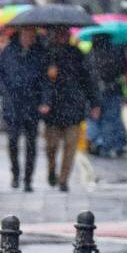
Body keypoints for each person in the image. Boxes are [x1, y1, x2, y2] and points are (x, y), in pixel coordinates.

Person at [39, 26, 97, 192]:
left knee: (71, 146)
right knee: (51, 146)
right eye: (59, 33)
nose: (62, 36)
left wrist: (95, 103)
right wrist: (48, 77)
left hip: (73, 107)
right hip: (53, 109)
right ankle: (52, 170)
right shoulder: (47, 54)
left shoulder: (77, 54)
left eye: (65, 33)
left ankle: (64, 179)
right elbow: (39, 82)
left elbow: (88, 80)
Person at [0, 27, 48, 191]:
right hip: (12, 104)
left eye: (31, 35)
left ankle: (28, 179)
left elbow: (45, 81)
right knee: (13, 141)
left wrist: (44, 101)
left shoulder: (39, 54)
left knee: (31, 143)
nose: (28, 38)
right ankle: (15, 174)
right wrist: (4, 92)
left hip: (32, 105)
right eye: (26, 34)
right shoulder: (8, 51)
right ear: (20, 35)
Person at [88, 34, 127, 157]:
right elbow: (123, 68)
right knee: (110, 119)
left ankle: (95, 142)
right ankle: (106, 145)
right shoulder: (116, 51)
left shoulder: (91, 53)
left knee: (94, 118)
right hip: (113, 90)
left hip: (94, 90)